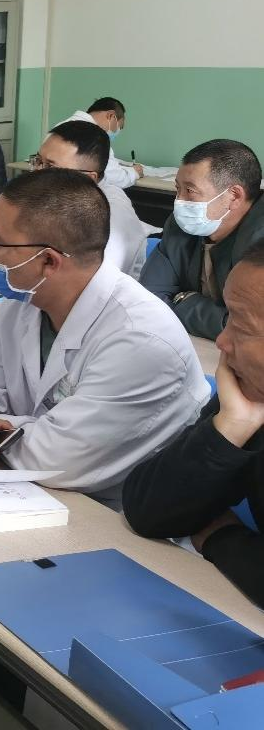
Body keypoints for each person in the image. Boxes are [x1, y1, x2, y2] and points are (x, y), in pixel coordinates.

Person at [0, 169, 208, 509]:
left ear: (48, 261)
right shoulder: (27, 299)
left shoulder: (141, 339)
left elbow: (58, 457)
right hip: (29, 490)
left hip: (114, 516)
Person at [123, 242, 264, 608]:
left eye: (241, 326)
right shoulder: (251, 395)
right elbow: (147, 510)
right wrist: (232, 425)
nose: (222, 341)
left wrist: (222, 537)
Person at [141, 139, 264, 339]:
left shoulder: (259, 241)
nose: (179, 202)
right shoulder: (179, 225)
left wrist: (182, 300)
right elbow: (148, 300)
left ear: (234, 196)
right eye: (178, 189)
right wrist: (220, 319)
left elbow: (253, 328)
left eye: (190, 191)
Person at [30, 120, 152, 278]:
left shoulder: (108, 216)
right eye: (38, 161)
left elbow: (85, 281)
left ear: (88, 178)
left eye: (50, 167)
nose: (37, 173)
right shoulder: (59, 197)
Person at [62, 96, 143, 189]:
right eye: (119, 127)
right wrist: (134, 172)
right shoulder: (96, 137)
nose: (117, 132)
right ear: (111, 116)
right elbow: (114, 178)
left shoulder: (64, 125)